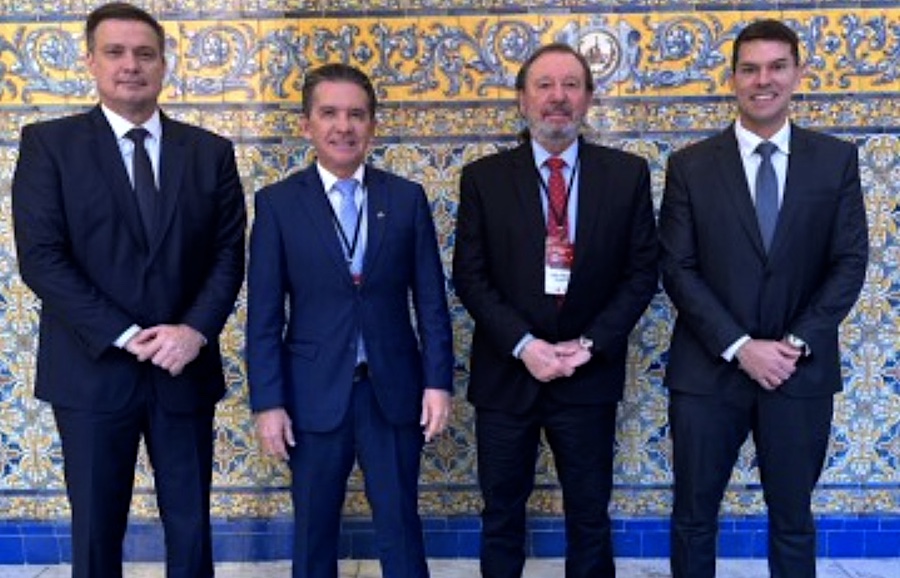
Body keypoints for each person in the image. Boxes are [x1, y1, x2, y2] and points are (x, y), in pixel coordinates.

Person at [10, 3, 246, 578]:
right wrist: (123, 332)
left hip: (182, 368)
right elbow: (42, 258)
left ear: (164, 64)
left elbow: (228, 254)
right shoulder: (49, 145)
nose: (130, 65)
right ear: (90, 61)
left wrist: (193, 331)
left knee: (190, 527)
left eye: (144, 53)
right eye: (114, 52)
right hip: (91, 372)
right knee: (96, 530)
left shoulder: (209, 152)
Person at [658, 19, 868, 578]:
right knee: (693, 519)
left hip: (799, 372)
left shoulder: (836, 160)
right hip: (708, 372)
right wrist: (740, 345)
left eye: (777, 67)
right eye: (749, 69)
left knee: (794, 521)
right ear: (732, 79)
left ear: (798, 73)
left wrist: (794, 343)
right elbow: (677, 268)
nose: (763, 80)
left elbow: (849, 263)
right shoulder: (690, 166)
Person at [452, 43, 659, 578]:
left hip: (588, 375)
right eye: (544, 85)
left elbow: (642, 273)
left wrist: (589, 345)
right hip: (506, 376)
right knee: (501, 515)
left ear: (589, 98)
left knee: (589, 517)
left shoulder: (627, 175)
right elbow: (470, 276)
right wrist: (526, 346)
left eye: (571, 84)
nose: (558, 97)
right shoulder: (483, 179)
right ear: (522, 99)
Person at [246, 62, 454, 578]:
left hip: (393, 391)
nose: (344, 126)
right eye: (330, 113)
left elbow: (431, 302)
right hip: (311, 394)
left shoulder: (405, 198)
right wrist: (268, 403)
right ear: (307, 125)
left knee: (401, 526)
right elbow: (264, 316)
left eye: (357, 115)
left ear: (372, 126)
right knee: (313, 531)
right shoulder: (277, 204)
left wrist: (438, 384)